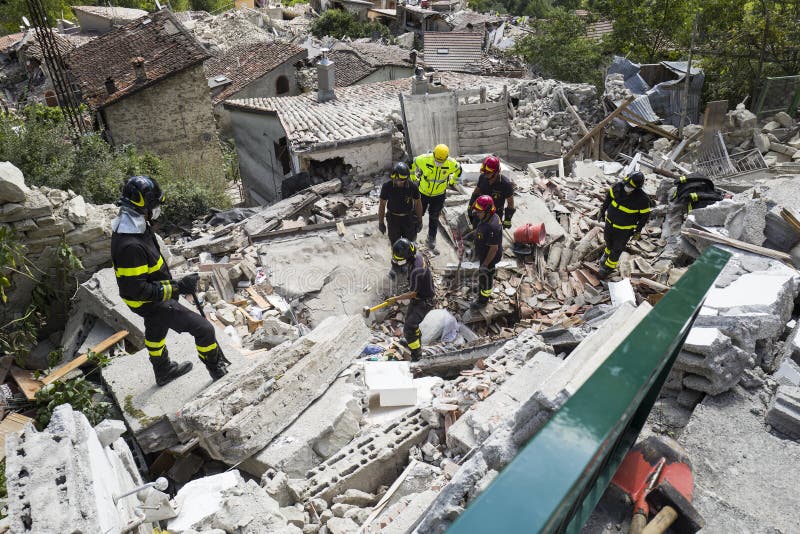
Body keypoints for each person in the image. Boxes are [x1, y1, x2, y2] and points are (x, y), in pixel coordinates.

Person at [111, 175, 230, 386]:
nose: (157, 209)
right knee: (204, 329)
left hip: (148, 299)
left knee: (155, 330)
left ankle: (163, 371)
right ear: (144, 205)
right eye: (155, 204)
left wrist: (176, 283)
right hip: (148, 301)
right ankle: (216, 368)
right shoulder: (130, 246)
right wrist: (177, 287)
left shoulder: (136, 226)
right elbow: (137, 289)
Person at [598, 171, 652, 278]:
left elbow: (644, 217)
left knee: (617, 249)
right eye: (626, 184)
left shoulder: (643, 199)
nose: (627, 187)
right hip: (610, 224)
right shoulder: (618, 187)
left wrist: (638, 231)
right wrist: (602, 211)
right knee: (608, 242)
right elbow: (608, 198)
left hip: (624, 230)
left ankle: (608, 268)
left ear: (637, 187)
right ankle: (606, 254)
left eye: (630, 186)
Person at [410, 143, 462, 250]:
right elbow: (412, 163)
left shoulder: (451, 163)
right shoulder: (424, 159)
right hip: (423, 193)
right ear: (433, 154)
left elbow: (459, 170)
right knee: (416, 215)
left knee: (434, 217)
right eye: (437, 159)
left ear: (446, 158)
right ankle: (412, 238)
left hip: (438, 195)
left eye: (441, 161)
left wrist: (452, 181)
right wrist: (413, 178)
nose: (438, 162)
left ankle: (431, 238)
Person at [391, 238, 435, 361]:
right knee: (409, 321)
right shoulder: (417, 256)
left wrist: (396, 298)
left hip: (425, 301)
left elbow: (412, 293)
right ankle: (413, 341)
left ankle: (417, 354)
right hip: (420, 296)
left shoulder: (416, 271)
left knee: (410, 327)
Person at [378, 162, 423, 277]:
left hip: (408, 219)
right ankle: (396, 267)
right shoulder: (387, 186)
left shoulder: (412, 186)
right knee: (395, 246)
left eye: (402, 180)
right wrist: (381, 222)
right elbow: (382, 204)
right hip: (393, 219)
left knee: (410, 244)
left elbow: (418, 203)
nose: (399, 183)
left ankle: (411, 265)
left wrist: (420, 220)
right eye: (397, 180)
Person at [471, 195, 503, 310]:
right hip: (484, 253)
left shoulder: (492, 227)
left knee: (486, 277)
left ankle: (483, 299)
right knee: (482, 275)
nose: (476, 213)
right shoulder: (488, 218)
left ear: (488, 211)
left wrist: (485, 265)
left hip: (490, 258)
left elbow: (493, 249)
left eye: (479, 211)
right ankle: (481, 287)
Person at [467, 155, 515, 230]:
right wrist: (470, 206)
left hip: (495, 214)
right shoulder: (482, 177)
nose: (485, 175)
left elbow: (510, 203)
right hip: (481, 211)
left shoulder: (506, 184)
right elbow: (476, 192)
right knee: (477, 232)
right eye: (485, 172)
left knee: (491, 235)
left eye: (488, 173)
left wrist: (507, 219)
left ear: (496, 172)